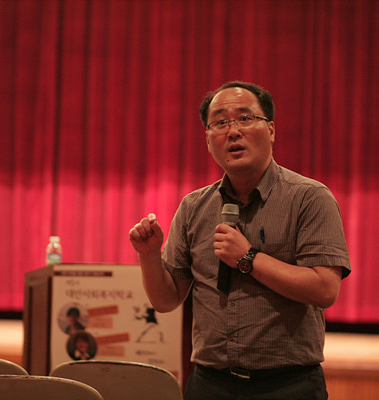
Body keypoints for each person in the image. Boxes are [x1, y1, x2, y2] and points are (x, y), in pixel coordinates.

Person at [129, 81, 351, 400]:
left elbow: (324, 289)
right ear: (208, 140)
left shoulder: (310, 198)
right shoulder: (194, 207)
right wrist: (149, 255)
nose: (233, 131)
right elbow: (167, 300)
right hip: (209, 383)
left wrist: (248, 258)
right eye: (220, 122)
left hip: (287, 385)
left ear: (270, 129)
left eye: (245, 118)